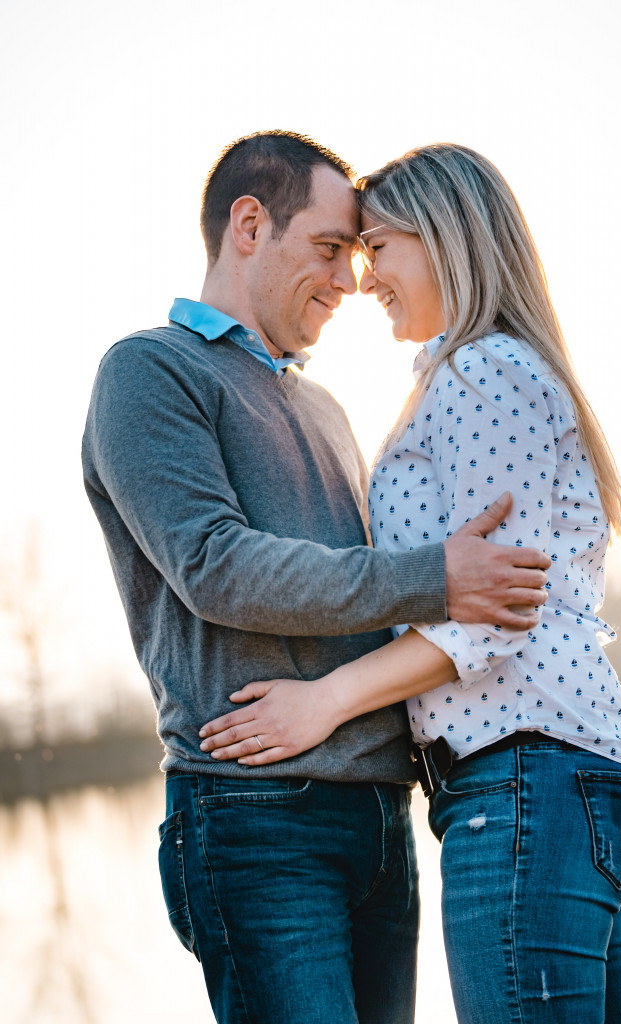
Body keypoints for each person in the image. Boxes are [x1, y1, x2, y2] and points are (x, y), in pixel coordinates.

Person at [81, 131, 551, 1024]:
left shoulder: (327, 408)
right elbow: (217, 565)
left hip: (382, 815)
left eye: (360, 253)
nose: (349, 279)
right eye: (330, 249)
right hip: (258, 818)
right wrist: (436, 577)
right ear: (249, 225)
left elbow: (360, 590)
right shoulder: (150, 371)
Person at [199, 143, 621, 1024]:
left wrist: (326, 699)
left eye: (379, 248)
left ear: (445, 239)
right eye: (352, 252)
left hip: (523, 780)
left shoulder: (481, 372)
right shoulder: (481, 372)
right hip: (548, 782)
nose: (365, 279)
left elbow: (491, 613)